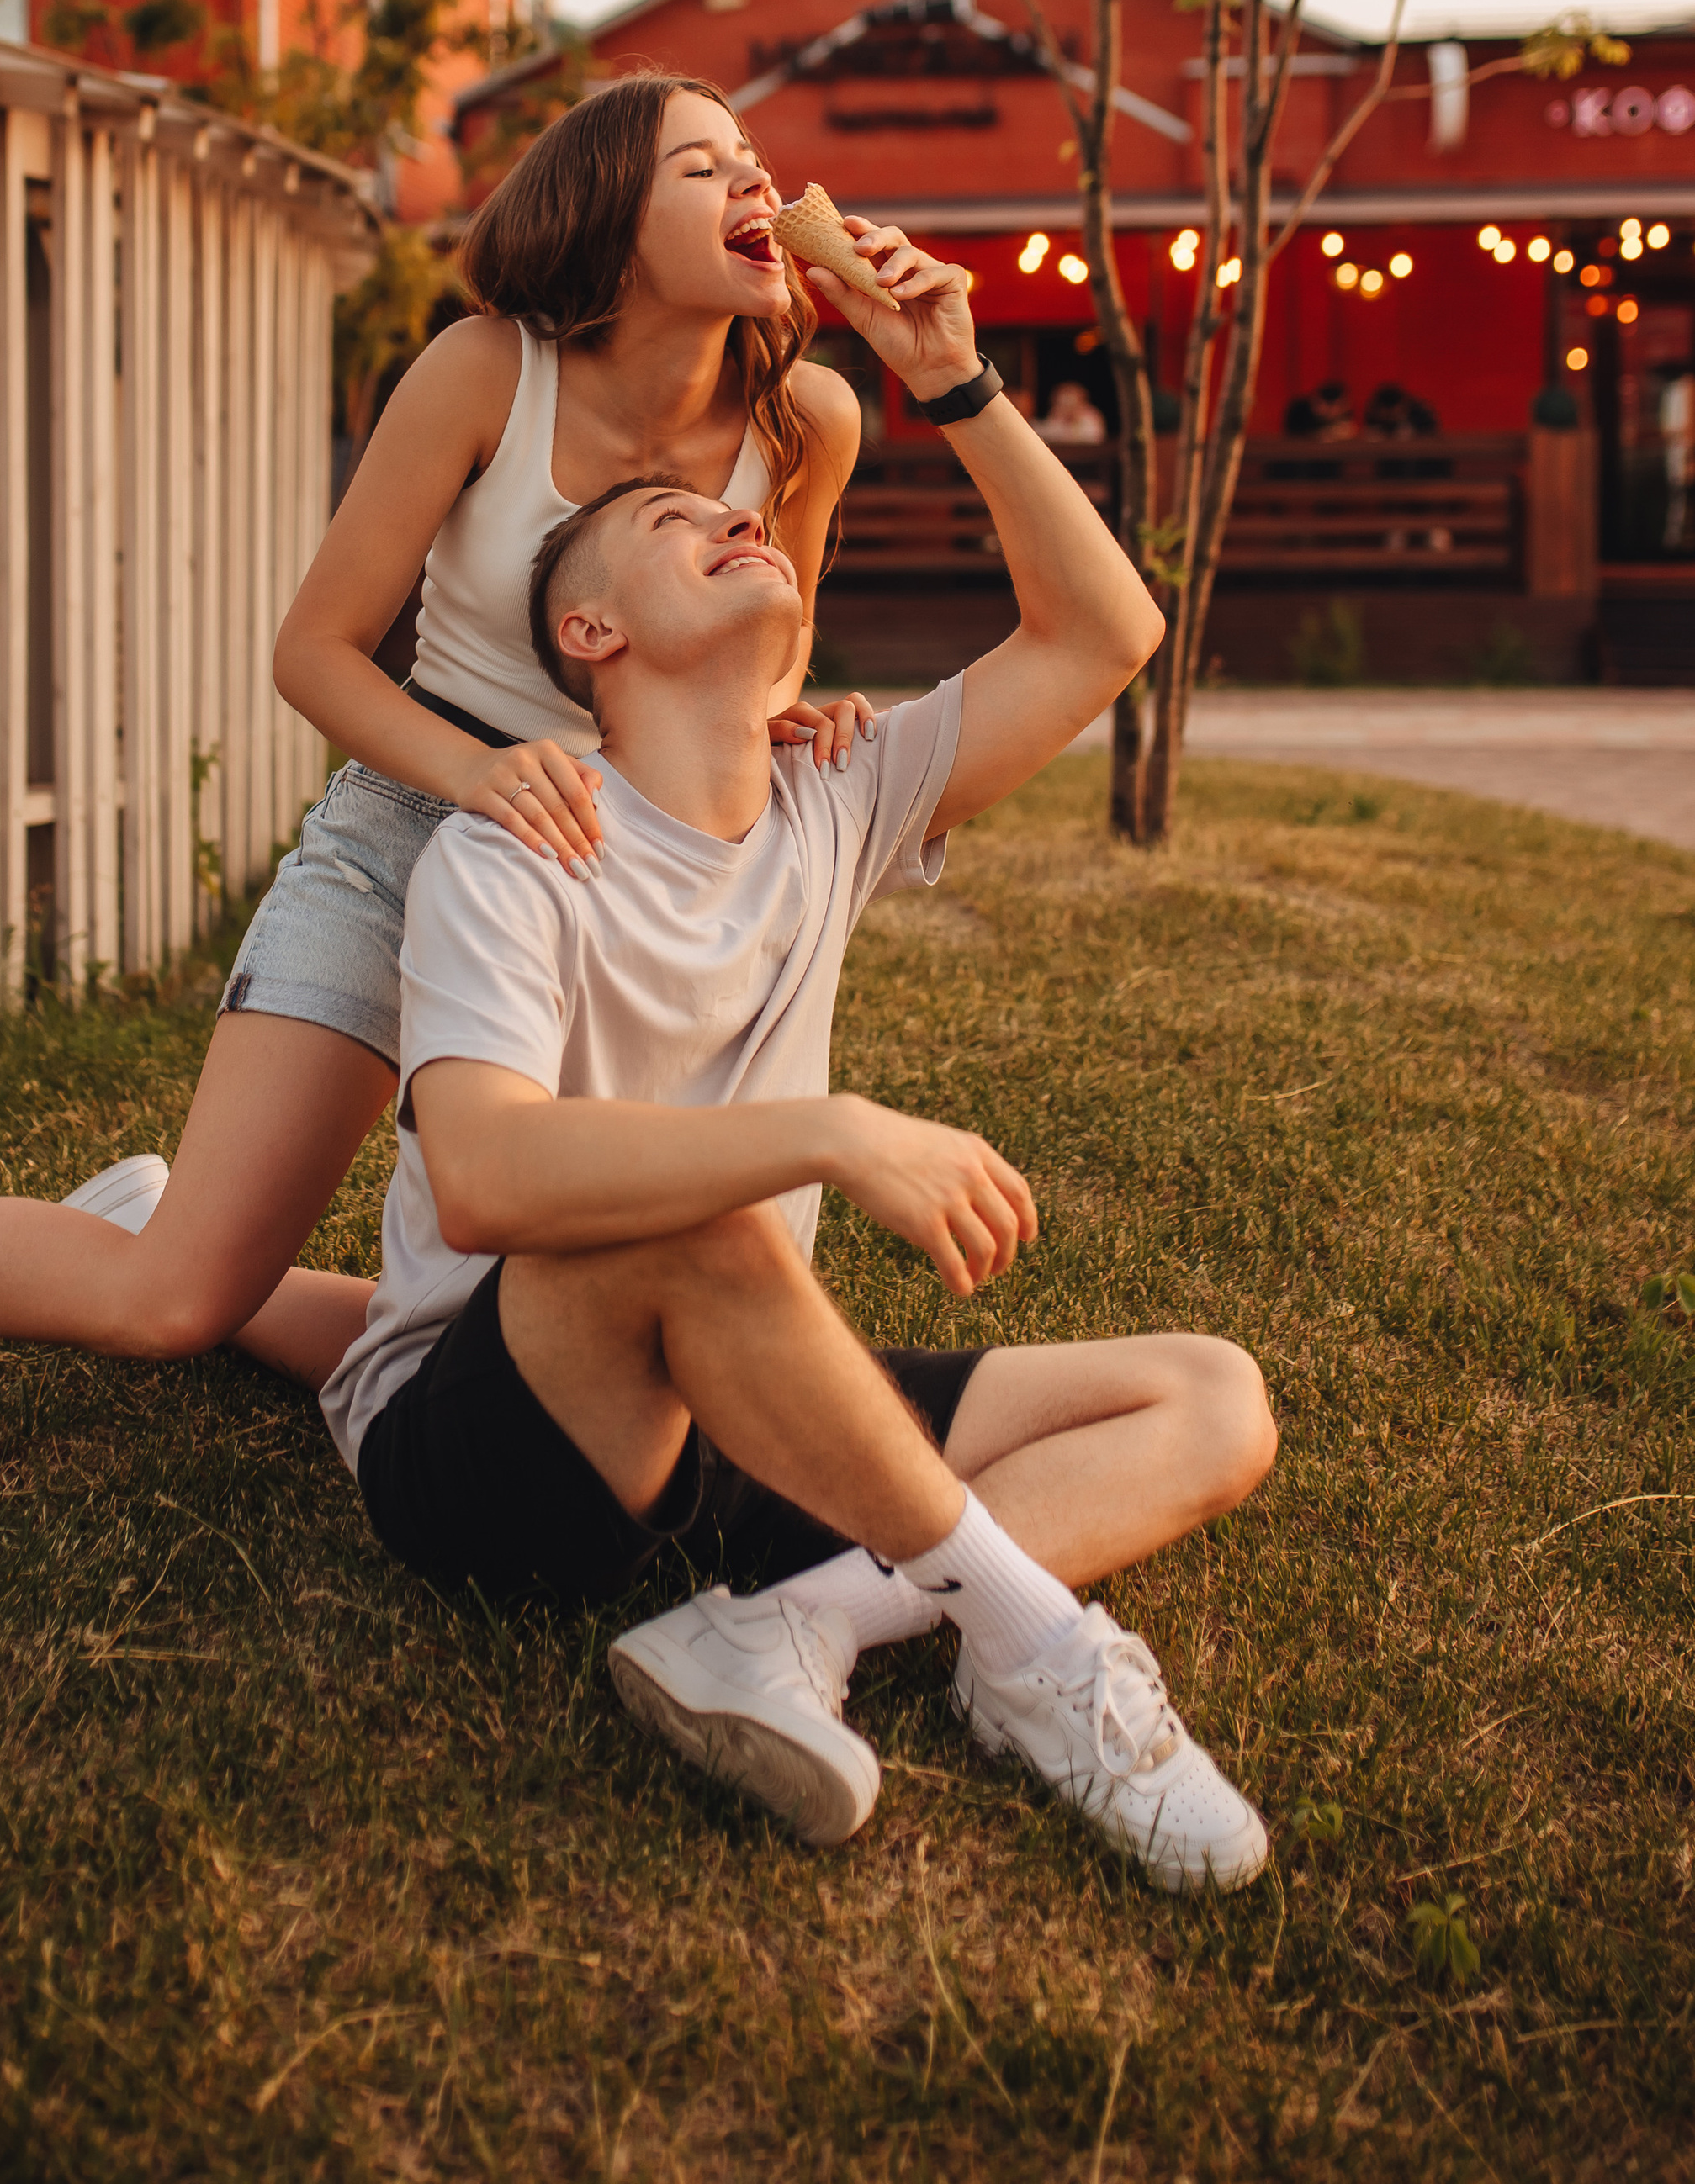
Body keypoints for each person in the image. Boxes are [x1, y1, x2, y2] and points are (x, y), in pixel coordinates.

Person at [0, 78, 878, 1443]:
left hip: (604, 877)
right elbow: (317, 653)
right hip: (410, 828)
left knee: (526, 1318)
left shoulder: (805, 419)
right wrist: (475, 777)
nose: (757, 186)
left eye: (756, 159)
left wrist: (797, 711)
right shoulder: (487, 373)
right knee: (170, 1302)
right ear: (608, 221)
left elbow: (765, 650)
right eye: (705, 168)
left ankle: (149, 1217)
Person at [323, 221, 1277, 1887]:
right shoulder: (512, 845)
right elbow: (479, 1177)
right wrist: (827, 1133)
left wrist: (953, 382)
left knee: (1209, 1400)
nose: (735, 520)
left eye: (742, 517)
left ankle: (775, 1634)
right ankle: (1041, 1658)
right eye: (679, 525)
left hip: (730, 1421)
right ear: (589, 638)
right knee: (704, 1221)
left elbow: (1100, 632)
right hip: (508, 1456)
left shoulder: (834, 800)